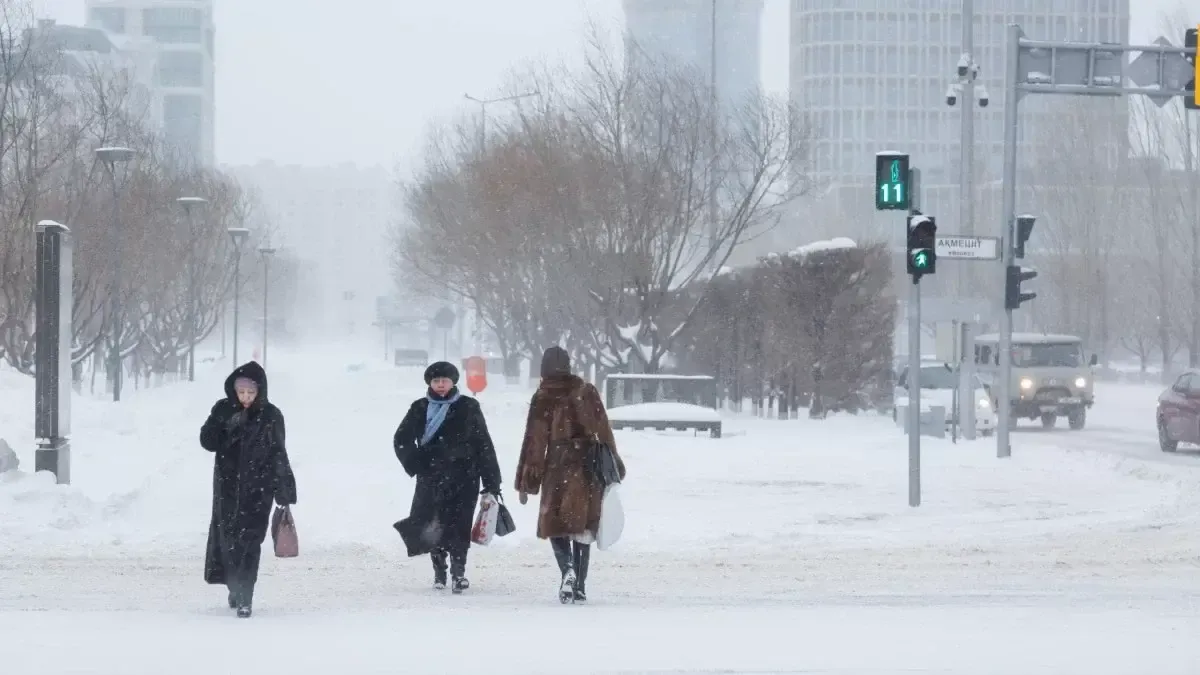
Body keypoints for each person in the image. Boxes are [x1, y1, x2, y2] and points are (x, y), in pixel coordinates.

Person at [515, 346, 626, 603]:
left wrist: (527, 481)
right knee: (583, 528)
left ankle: (567, 571)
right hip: (588, 468)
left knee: (556, 525)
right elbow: (604, 430)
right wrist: (614, 464)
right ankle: (581, 586)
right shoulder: (586, 392)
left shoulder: (543, 397)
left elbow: (535, 442)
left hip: (558, 468)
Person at [393, 361, 502, 593]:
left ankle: (458, 572)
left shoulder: (469, 406)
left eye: (444, 380)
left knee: (460, 524)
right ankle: (440, 571)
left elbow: (483, 444)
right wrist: (416, 462)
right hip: (431, 477)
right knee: (434, 523)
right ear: (429, 383)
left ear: (453, 382)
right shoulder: (419, 408)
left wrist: (492, 481)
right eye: (436, 381)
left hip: (465, 477)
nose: (440, 385)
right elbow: (401, 439)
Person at [199, 361, 297, 618]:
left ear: (259, 391)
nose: (245, 398)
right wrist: (220, 420)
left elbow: (278, 452)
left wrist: (283, 490)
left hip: (258, 491)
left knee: (250, 543)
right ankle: (235, 587)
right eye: (241, 393)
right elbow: (207, 442)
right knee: (229, 543)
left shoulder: (271, 415)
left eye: (250, 393)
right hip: (227, 491)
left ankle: (246, 597)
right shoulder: (223, 410)